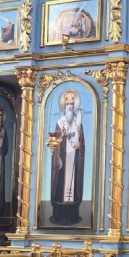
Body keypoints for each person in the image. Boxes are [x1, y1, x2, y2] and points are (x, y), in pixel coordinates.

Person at [50, 91, 85, 224]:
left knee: (73, 182)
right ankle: (59, 214)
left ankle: (72, 214)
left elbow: (82, 142)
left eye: (72, 104)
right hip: (63, 158)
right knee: (62, 182)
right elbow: (56, 141)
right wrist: (58, 157)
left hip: (74, 156)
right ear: (64, 106)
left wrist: (78, 136)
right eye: (67, 104)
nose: (70, 107)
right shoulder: (60, 122)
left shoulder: (78, 122)